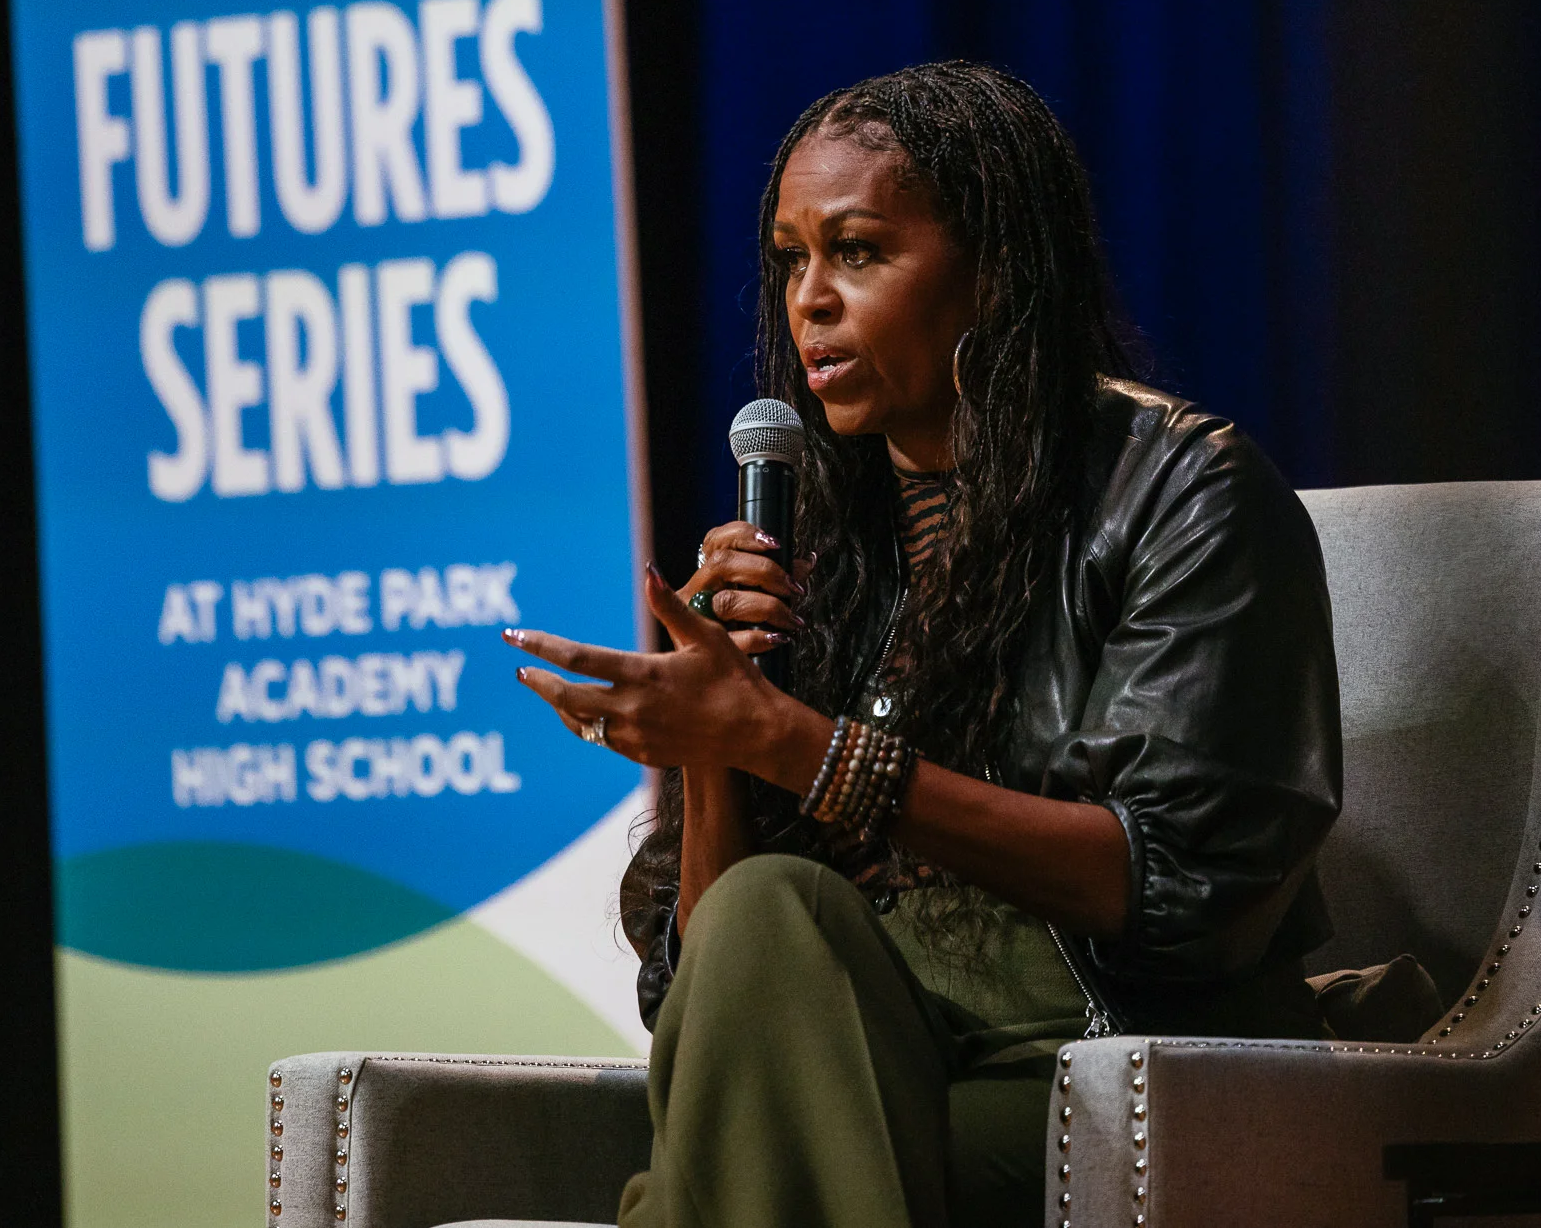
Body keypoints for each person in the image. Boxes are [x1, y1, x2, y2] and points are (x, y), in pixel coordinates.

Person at [507, 62, 1342, 1228]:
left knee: (718, 1178)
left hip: (1100, 1065)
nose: (810, 300)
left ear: (995, 270)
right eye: (792, 259)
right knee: (759, 934)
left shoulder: (1180, 496)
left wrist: (801, 746)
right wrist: (719, 734)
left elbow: (1178, 890)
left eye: (857, 252)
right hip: (874, 1051)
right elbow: (703, 989)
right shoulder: (818, 538)